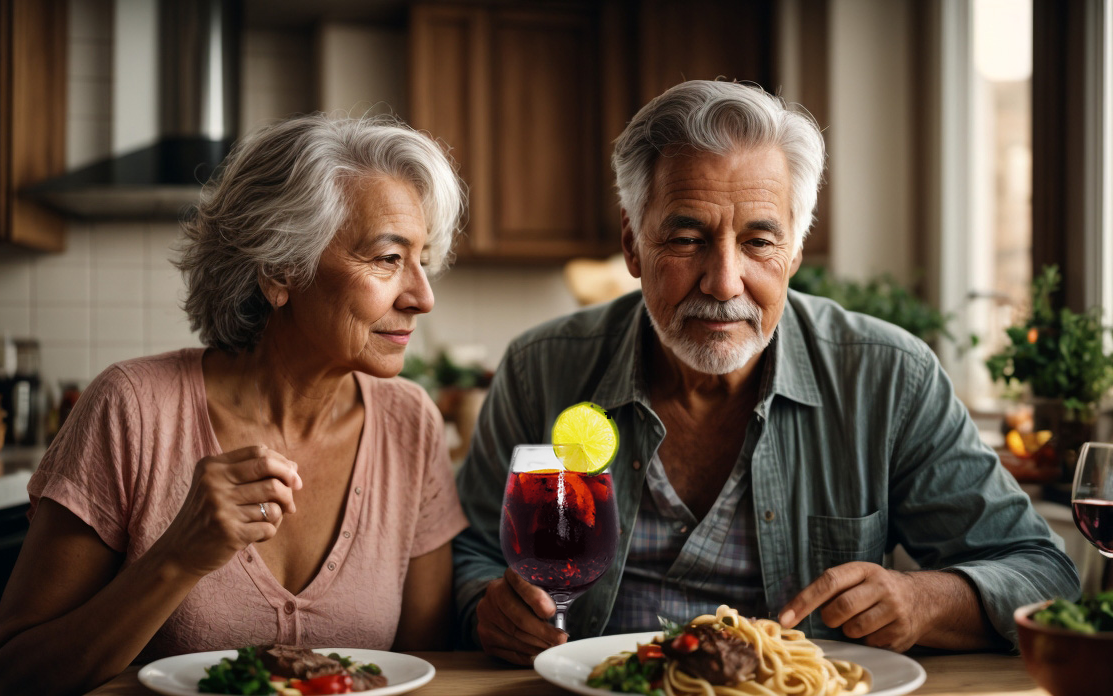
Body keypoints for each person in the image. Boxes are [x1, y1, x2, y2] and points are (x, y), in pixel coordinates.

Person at [453, 80, 1080, 666]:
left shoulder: (889, 377)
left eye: (759, 242)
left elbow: (1041, 572)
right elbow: (469, 552)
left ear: (797, 251)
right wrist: (487, 604)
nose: (725, 282)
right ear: (632, 244)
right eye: (687, 237)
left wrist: (924, 601)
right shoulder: (542, 370)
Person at [0, 114, 468, 696]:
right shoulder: (132, 409)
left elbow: (421, 678)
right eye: (389, 258)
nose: (422, 295)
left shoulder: (410, 423)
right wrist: (179, 556)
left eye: (422, 260)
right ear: (279, 271)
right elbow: (3, 692)